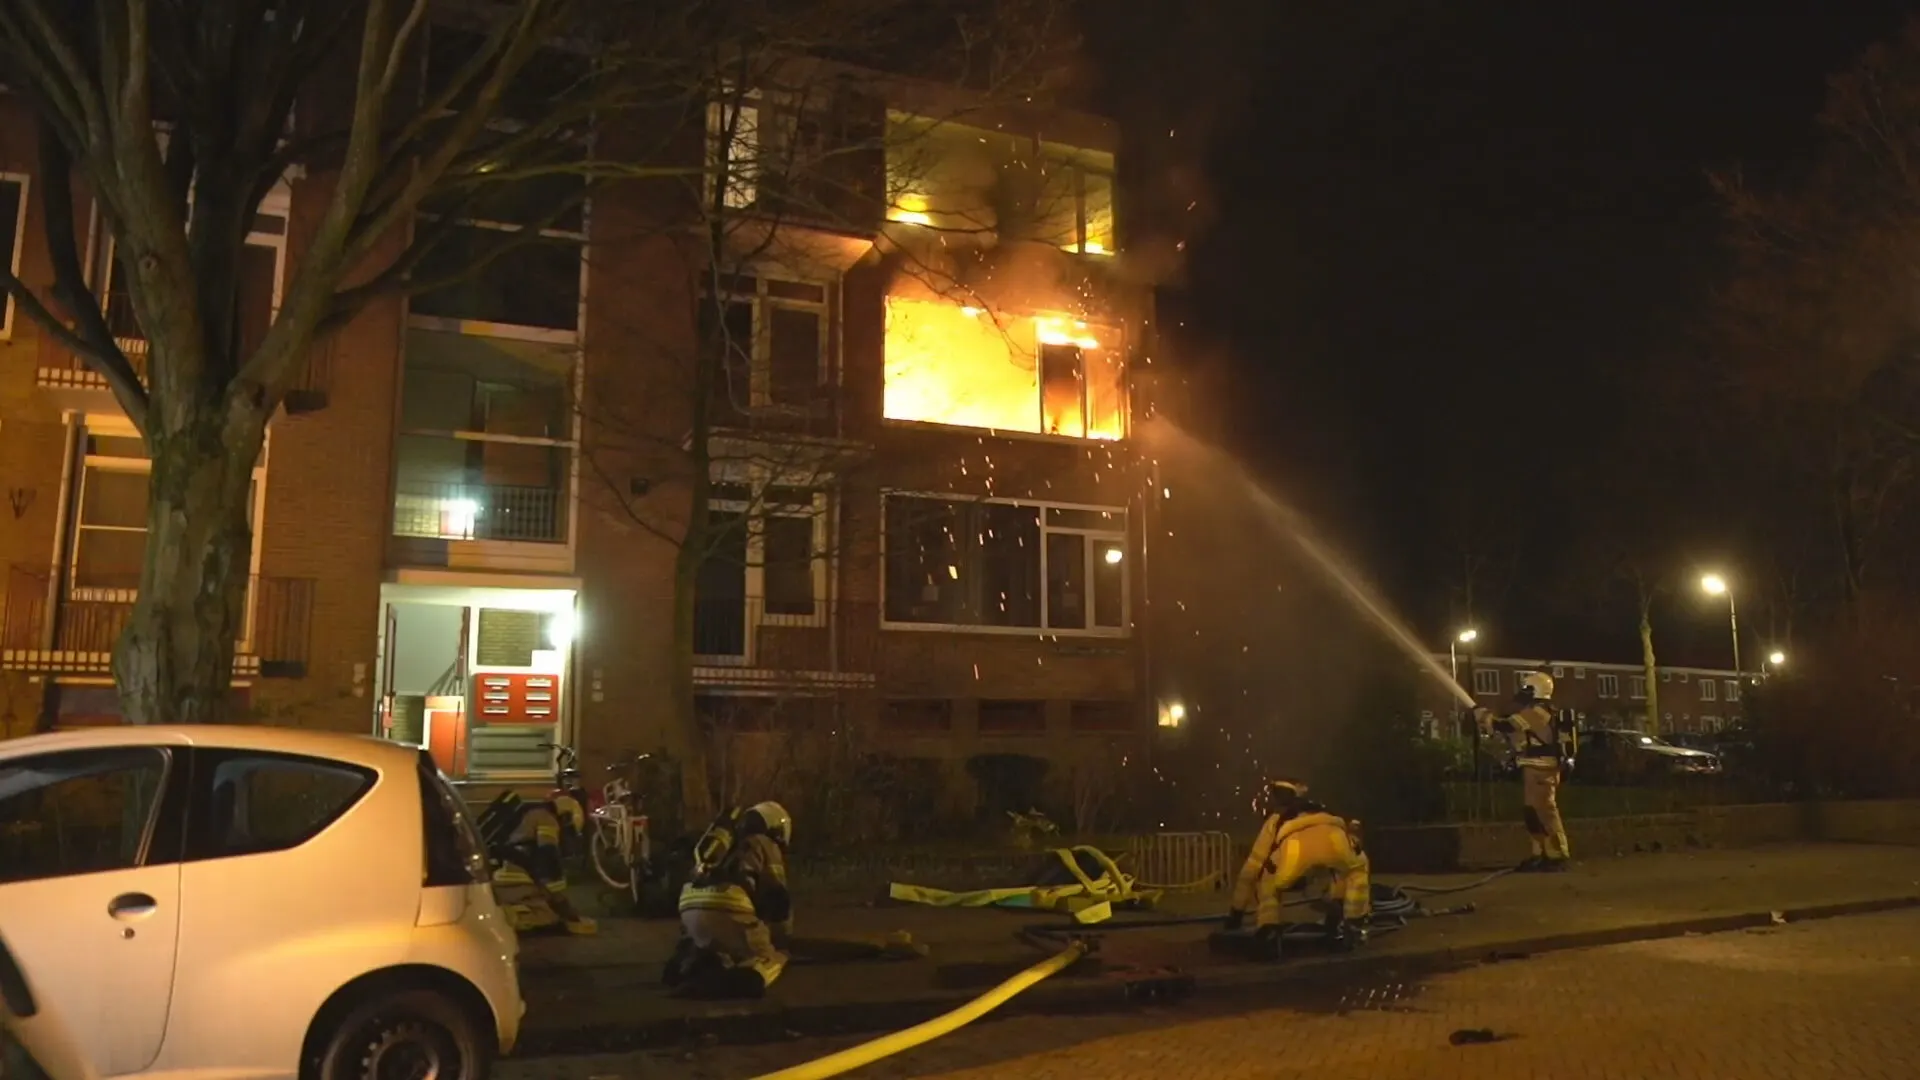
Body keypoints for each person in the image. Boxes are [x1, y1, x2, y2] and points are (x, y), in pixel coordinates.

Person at [1224, 779, 1372, 956]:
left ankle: (1269, 931)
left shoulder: (1275, 820)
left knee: (1267, 881)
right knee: (1353, 870)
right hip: (1335, 839)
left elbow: (1251, 870)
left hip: (1295, 851)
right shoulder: (1323, 809)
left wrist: (1236, 914)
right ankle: (1351, 924)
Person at [666, 801, 794, 998]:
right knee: (772, 958)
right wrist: (782, 937)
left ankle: (690, 962)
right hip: (728, 905)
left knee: (722, 949)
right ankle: (738, 982)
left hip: (688, 905)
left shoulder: (720, 845)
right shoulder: (764, 844)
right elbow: (778, 895)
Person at [1473, 670, 1571, 871]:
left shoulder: (1539, 711)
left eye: (1527, 688)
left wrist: (1484, 716)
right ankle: (1539, 853)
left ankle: (1558, 854)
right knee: (1531, 812)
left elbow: (1508, 725)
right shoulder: (1534, 710)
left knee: (1545, 811)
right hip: (1533, 767)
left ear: (1536, 690)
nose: (1523, 692)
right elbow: (1511, 729)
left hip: (1543, 768)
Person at [491, 799, 598, 936]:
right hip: (515, 880)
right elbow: (548, 859)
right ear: (564, 817)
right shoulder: (547, 820)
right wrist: (562, 903)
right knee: (547, 917)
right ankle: (507, 916)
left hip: (503, 875)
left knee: (545, 907)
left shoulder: (531, 812)